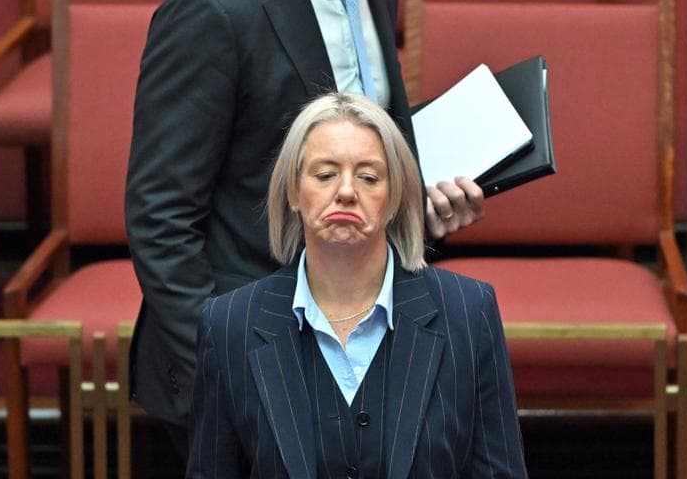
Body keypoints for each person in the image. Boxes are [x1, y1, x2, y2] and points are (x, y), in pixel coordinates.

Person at [126, 0, 486, 452]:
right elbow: (160, 216)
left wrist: (421, 201)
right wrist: (225, 358)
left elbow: (364, 141)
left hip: (363, 336)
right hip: (252, 353)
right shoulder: (212, 12)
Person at [187, 92, 526, 477]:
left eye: (368, 177)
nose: (346, 191)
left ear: (395, 197)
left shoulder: (468, 312)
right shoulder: (229, 325)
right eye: (325, 174)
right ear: (293, 191)